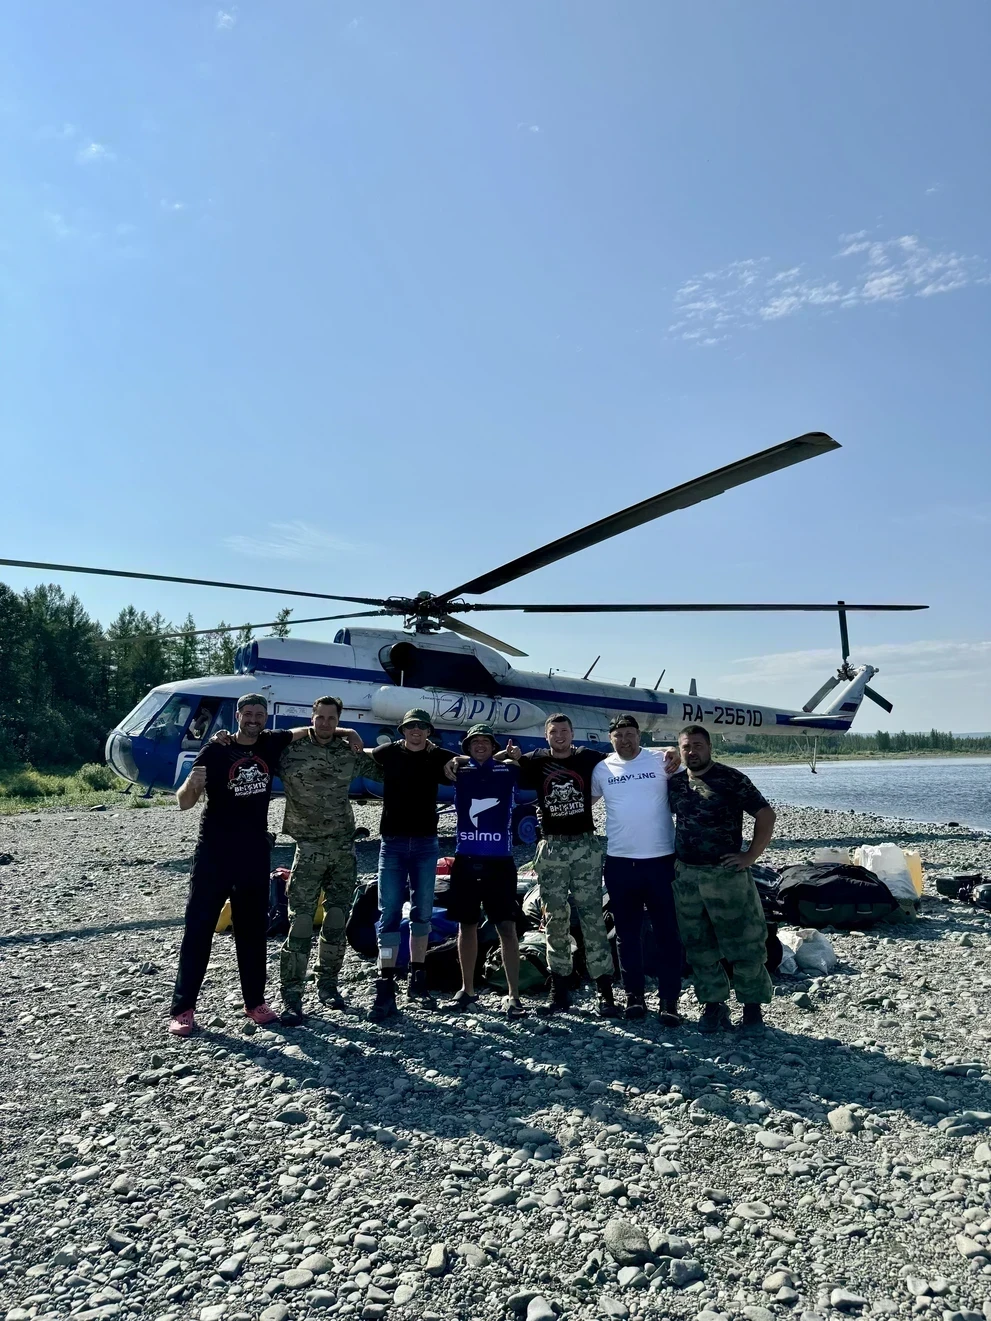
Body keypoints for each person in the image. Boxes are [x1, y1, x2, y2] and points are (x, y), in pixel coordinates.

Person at [169, 693, 296, 1036]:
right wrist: (193, 785)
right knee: (199, 929)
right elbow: (184, 802)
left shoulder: (270, 743)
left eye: (259, 714)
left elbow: (308, 730)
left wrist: (348, 733)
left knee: (252, 931)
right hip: (214, 853)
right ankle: (183, 1009)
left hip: (254, 853)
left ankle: (255, 1003)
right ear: (237, 716)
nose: (253, 719)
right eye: (248, 713)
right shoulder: (215, 749)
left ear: (265, 718)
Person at [275, 696, 385, 1025]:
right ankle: (292, 996)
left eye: (331, 719)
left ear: (338, 720)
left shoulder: (346, 751)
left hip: (343, 849)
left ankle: (328, 986)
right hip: (308, 849)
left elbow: (389, 771)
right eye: (320, 717)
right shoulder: (289, 751)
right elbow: (254, 751)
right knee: (300, 924)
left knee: (337, 920)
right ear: (311, 718)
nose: (325, 723)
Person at [667, 724, 776, 1034]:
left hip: (726, 876)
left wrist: (750, 856)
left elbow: (766, 815)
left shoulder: (731, 779)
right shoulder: (676, 784)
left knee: (745, 942)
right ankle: (713, 1006)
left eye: (698, 745)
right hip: (687, 876)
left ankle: (752, 1011)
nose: (692, 751)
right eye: (686, 747)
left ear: (709, 747)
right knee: (698, 945)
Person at [507, 714, 617, 1017]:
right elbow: (507, 763)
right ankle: (559, 989)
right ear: (546, 735)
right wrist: (512, 756)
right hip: (552, 847)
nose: (559, 736)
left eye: (564, 731)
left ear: (572, 733)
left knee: (592, 917)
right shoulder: (536, 760)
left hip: (584, 845)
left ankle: (605, 991)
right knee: (554, 919)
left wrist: (667, 754)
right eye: (554, 731)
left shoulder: (587, 757)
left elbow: (621, 758)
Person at [365, 709, 461, 1022]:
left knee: (422, 912)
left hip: (425, 844)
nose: (416, 731)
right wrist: (347, 733)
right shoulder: (388, 753)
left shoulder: (437, 757)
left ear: (429, 731)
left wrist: (447, 757)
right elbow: (364, 752)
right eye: (410, 726)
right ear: (402, 730)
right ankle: (385, 981)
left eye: (422, 726)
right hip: (392, 844)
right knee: (390, 912)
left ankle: (417, 978)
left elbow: (462, 760)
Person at [590, 715, 684, 1024]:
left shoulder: (660, 760)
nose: (625, 740)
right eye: (618, 735)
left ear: (639, 735)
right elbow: (583, 803)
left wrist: (676, 751)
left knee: (667, 932)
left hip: (661, 861)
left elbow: (692, 772)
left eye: (630, 734)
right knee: (626, 934)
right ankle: (634, 997)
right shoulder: (602, 769)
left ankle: (669, 1001)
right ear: (610, 738)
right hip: (620, 862)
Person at [443, 723, 524, 1016]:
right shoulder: (459, 770)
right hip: (465, 859)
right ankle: (467, 990)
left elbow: (511, 763)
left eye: (485, 742)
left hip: (500, 861)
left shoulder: (508, 769)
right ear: (467, 747)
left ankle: (514, 995)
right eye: (474, 742)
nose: (480, 746)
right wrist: (457, 759)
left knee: (507, 928)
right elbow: (456, 761)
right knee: (466, 926)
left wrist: (509, 756)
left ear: (493, 746)